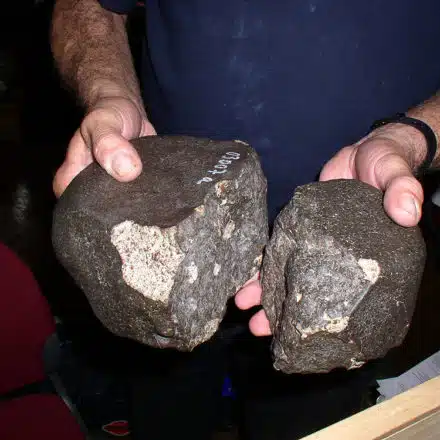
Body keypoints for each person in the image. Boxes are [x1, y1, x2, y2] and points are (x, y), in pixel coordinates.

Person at [51, 0, 440, 438]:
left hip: (350, 253)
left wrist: (417, 135)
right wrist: (109, 92)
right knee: (167, 418)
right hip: (166, 228)